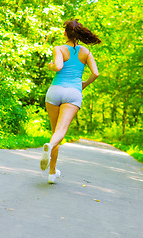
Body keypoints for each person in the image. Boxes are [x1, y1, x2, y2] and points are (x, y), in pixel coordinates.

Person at [40, 19, 101, 184]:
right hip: (73, 93)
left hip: (55, 91)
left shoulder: (59, 49)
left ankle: (52, 172)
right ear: (79, 35)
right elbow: (95, 73)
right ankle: (50, 149)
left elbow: (58, 67)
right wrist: (83, 85)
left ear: (65, 33)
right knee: (60, 133)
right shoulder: (86, 52)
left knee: (54, 131)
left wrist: (51, 66)